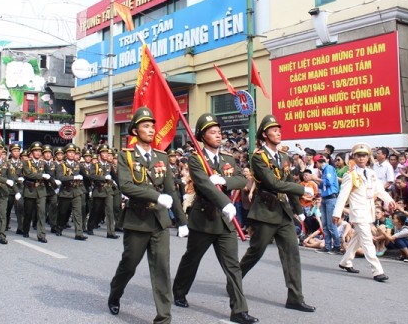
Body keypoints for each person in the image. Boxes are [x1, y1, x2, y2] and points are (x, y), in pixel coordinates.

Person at [173, 113, 258, 324]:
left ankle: (239, 310)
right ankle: (179, 291)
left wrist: (225, 181)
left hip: (225, 222)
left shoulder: (228, 158)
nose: (218, 135)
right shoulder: (196, 159)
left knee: (232, 267)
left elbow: (241, 180)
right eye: (212, 132)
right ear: (202, 136)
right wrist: (225, 202)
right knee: (191, 259)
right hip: (204, 219)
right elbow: (202, 184)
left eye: (219, 132)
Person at [108, 107, 188, 323]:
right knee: (129, 264)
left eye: (153, 126)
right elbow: (125, 185)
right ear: (135, 130)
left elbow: (171, 192)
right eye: (146, 126)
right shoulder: (125, 156)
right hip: (137, 219)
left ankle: (163, 317)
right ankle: (115, 293)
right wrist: (154, 195)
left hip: (160, 221)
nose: (151, 130)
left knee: (162, 268)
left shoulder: (161, 156)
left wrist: (182, 221)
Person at [239, 114, 316, 312]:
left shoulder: (283, 156)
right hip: (265, 211)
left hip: (283, 212)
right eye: (274, 130)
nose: (278, 132)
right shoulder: (258, 157)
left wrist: (298, 210)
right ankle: (234, 280)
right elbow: (272, 183)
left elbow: (288, 182)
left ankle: (295, 298)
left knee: (292, 253)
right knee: (255, 252)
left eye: (279, 129)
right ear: (264, 134)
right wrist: (301, 190)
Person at [332, 142, 395, 282]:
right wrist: (337, 213)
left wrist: (389, 200)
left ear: (368, 158)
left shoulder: (372, 173)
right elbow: (343, 196)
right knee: (367, 241)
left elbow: (379, 190)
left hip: (369, 211)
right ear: (354, 157)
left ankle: (345, 261)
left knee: (357, 239)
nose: (361, 158)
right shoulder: (351, 175)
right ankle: (377, 271)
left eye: (364, 156)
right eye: (358, 156)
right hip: (358, 212)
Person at [313, 154, 341, 254]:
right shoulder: (323, 171)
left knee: (331, 224)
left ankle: (337, 246)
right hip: (325, 198)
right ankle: (328, 246)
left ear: (318, 162)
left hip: (331, 198)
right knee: (325, 224)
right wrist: (314, 180)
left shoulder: (328, 168)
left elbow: (328, 182)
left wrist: (315, 178)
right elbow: (322, 185)